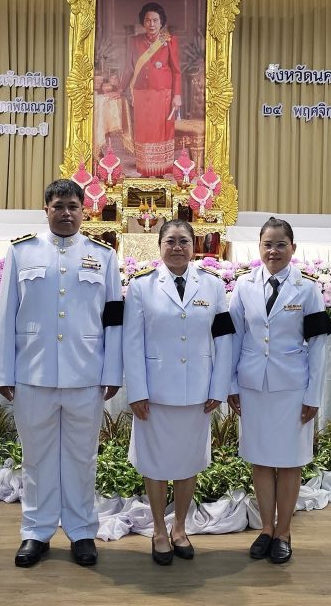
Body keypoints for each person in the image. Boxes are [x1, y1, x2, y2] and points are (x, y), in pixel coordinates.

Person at [0, 179, 124, 568]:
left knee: (83, 458)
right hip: (33, 373)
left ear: (84, 211)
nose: (66, 213)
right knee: (37, 458)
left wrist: (112, 370)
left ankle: (82, 532)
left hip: (86, 374)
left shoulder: (103, 256)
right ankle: (36, 531)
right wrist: (3, 370)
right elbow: (6, 314)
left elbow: (114, 318)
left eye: (73, 206)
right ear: (46, 210)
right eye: (58, 206)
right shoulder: (22, 252)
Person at [122, 219, 234, 565]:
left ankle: (180, 528)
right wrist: (136, 390)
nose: (177, 247)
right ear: (159, 246)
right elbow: (131, 342)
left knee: (189, 462)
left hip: (198, 392)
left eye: (184, 241)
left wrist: (219, 386)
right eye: (170, 241)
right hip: (154, 393)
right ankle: (159, 529)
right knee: (154, 464)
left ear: (193, 246)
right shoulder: (141, 286)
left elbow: (224, 339)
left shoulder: (213, 286)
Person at [227, 217, 331, 564]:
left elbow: (318, 345)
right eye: (267, 244)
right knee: (260, 458)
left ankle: (284, 531)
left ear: (293, 248)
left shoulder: (308, 289)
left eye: (280, 245)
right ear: (258, 247)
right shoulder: (244, 285)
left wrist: (313, 395)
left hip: (292, 388)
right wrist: (230, 384)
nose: (273, 251)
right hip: (253, 386)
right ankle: (266, 529)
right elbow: (234, 337)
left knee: (289, 461)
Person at [123, 1, 181, 177]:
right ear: (143, 22)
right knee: (144, 133)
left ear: (161, 22)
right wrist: (121, 89)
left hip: (162, 95)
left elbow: (176, 71)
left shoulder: (169, 42)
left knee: (161, 133)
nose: (152, 24)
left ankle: (161, 170)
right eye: (148, 20)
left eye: (155, 20)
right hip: (141, 94)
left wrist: (177, 95)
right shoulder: (134, 41)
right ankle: (145, 170)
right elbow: (128, 68)